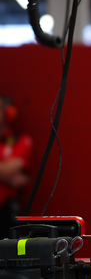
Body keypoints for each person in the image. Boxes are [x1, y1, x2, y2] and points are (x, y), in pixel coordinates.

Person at [0, 95, 32, 238]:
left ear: (8, 113)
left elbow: (15, 174)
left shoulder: (21, 140)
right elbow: (10, 175)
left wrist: (7, 172)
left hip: (5, 211)